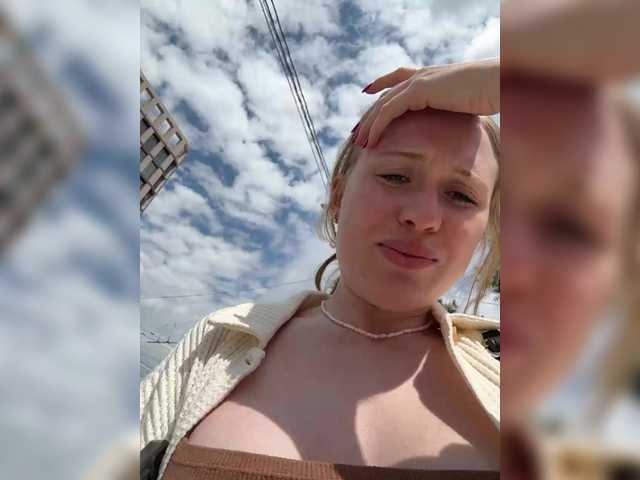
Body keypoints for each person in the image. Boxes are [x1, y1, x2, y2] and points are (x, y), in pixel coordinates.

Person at [140, 67, 502, 479]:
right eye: (395, 176)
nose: (422, 217)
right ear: (337, 198)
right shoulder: (218, 341)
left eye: (461, 195)